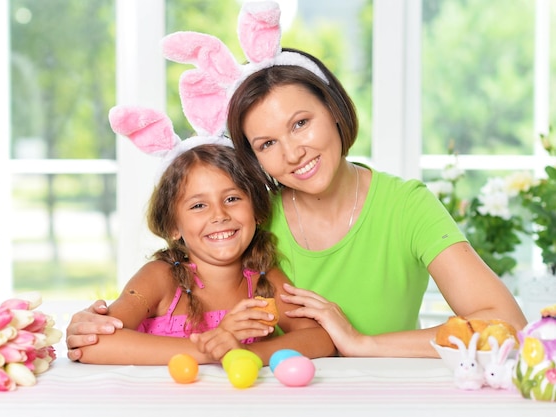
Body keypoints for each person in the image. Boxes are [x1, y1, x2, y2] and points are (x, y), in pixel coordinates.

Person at [66, 1, 526, 360]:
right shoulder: (248, 218)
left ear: (336, 109)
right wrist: (102, 321)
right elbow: (188, 305)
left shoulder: (406, 206)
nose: (292, 153)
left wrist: (360, 343)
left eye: (301, 123)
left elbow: (505, 323)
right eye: (265, 144)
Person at [76, 140, 335, 365]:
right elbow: (93, 343)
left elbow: (320, 339)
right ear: (173, 226)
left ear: (256, 211)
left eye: (232, 199)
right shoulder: (161, 277)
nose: (219, 215)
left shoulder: (262, 277)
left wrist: (244, 352)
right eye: (199, 205)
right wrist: (214, 349)